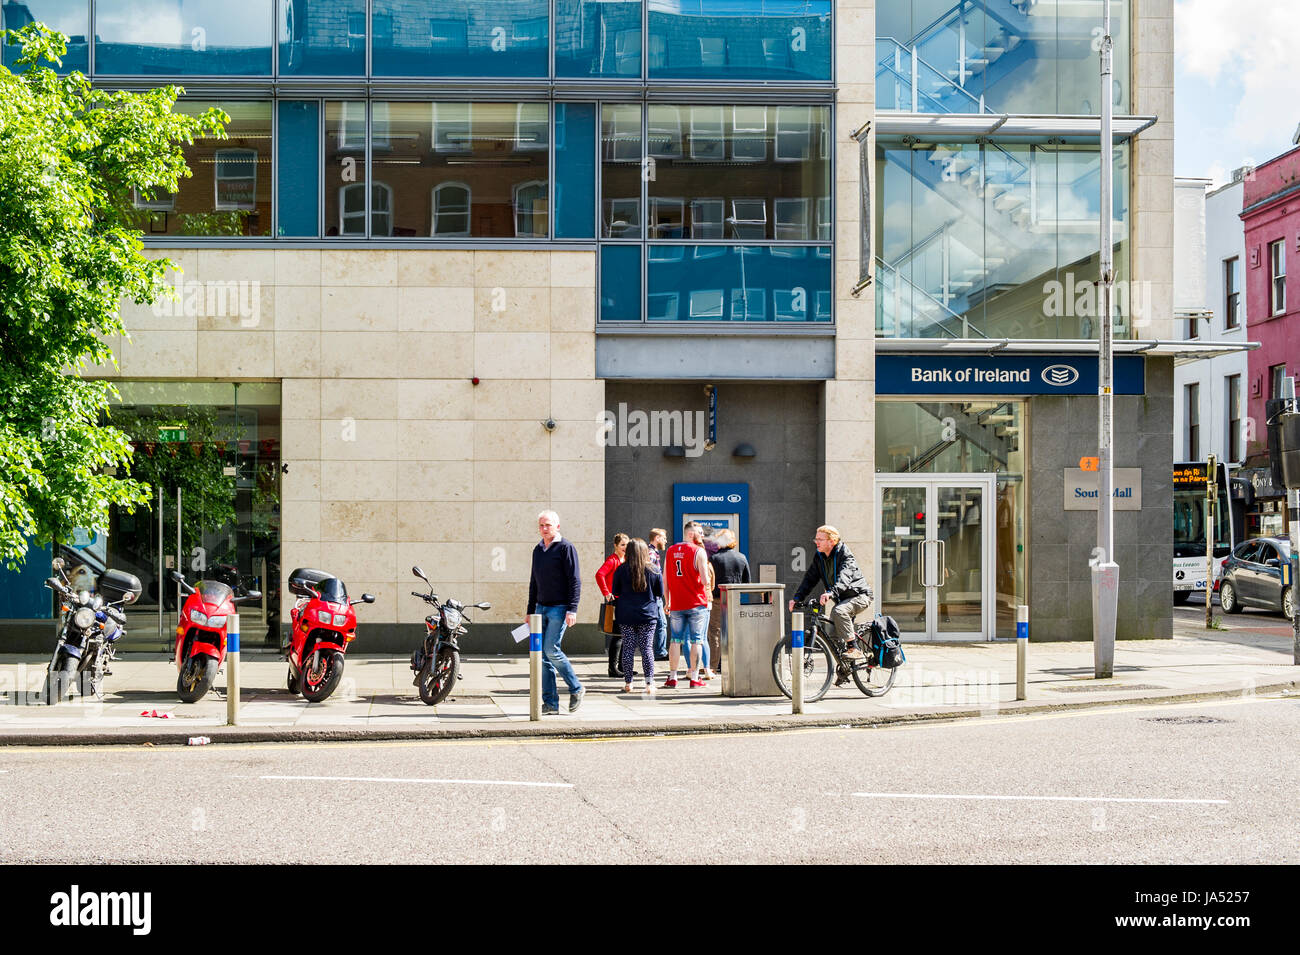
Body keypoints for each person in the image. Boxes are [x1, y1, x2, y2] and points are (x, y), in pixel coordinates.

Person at [526, 510, 584, 714]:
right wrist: (530, 611)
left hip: (560, 608)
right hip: (540, 608)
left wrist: (572, 609)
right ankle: (550, 703)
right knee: (541, 656)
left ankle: (576, 688)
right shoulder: (538, 550)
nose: (544, 529)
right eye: (541, 525)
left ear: (557, 526)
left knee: (551, 649)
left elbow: (575, 580)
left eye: (548, 525)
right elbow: (534, 582)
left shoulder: (566, 547)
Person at [789, 525, 872, 660]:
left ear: (832, 541)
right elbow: (810, 579)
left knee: (839, 611)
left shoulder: (845, 555)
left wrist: (831, 593)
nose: (817, 542)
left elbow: (844, 578)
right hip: (842, 599)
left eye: (820, 539)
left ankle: (854, 648)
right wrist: (797, 598)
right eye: (816, 539)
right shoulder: (820, 557)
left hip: (860, 596)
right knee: (833, 635)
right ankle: (845, 668)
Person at [663, 521, 711, 689]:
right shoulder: (699, 552)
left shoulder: (670, 551)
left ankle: (672, 677)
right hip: (697, 603)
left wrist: (667, 601)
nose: (703, 536)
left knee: (675, 640)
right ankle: (695, 677)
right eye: (700, 532)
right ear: (691, 534)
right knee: (697, 640)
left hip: (676, 604)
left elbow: (665, 579)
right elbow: (705, 580)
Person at [611, 538, 662, 695]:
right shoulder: (653, 570)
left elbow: (616, 592)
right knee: (647, 648)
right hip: (648, 615)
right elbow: (659, 593)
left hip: (626, 614)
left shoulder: (621, 570)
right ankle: (649, 684)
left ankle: (628, 683)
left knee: (628, 648)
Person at [708, 529, 751, 676]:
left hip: (716, 599)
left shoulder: (713, 558)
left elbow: (709, 582)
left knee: (715, 632)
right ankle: (734, 662)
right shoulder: (741, 557)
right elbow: (747, 582)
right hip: (735, 598)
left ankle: (714, 665)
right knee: (733, 630)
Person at [595, 533, 629, 677]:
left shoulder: (625, 559)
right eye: (622, 545)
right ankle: (612, 668)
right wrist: (607, 593)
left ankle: (622, 666)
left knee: (625, 635)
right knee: (618, 635)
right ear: (615, 546)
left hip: (624, 600)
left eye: (627, 545)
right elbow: (599, 574)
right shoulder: (612, 560)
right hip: (615, 601)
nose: (625, 548)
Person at [648, 528, 669, 660]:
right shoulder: (651, 554)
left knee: (661, 624)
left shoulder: (653, 553)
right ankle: (660, 652)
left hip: (655, 596)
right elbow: (650, 574)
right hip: (655, 596)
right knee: (661, 624)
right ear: (657, 538)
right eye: (664, 538)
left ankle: (659, 651)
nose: (666, 541)